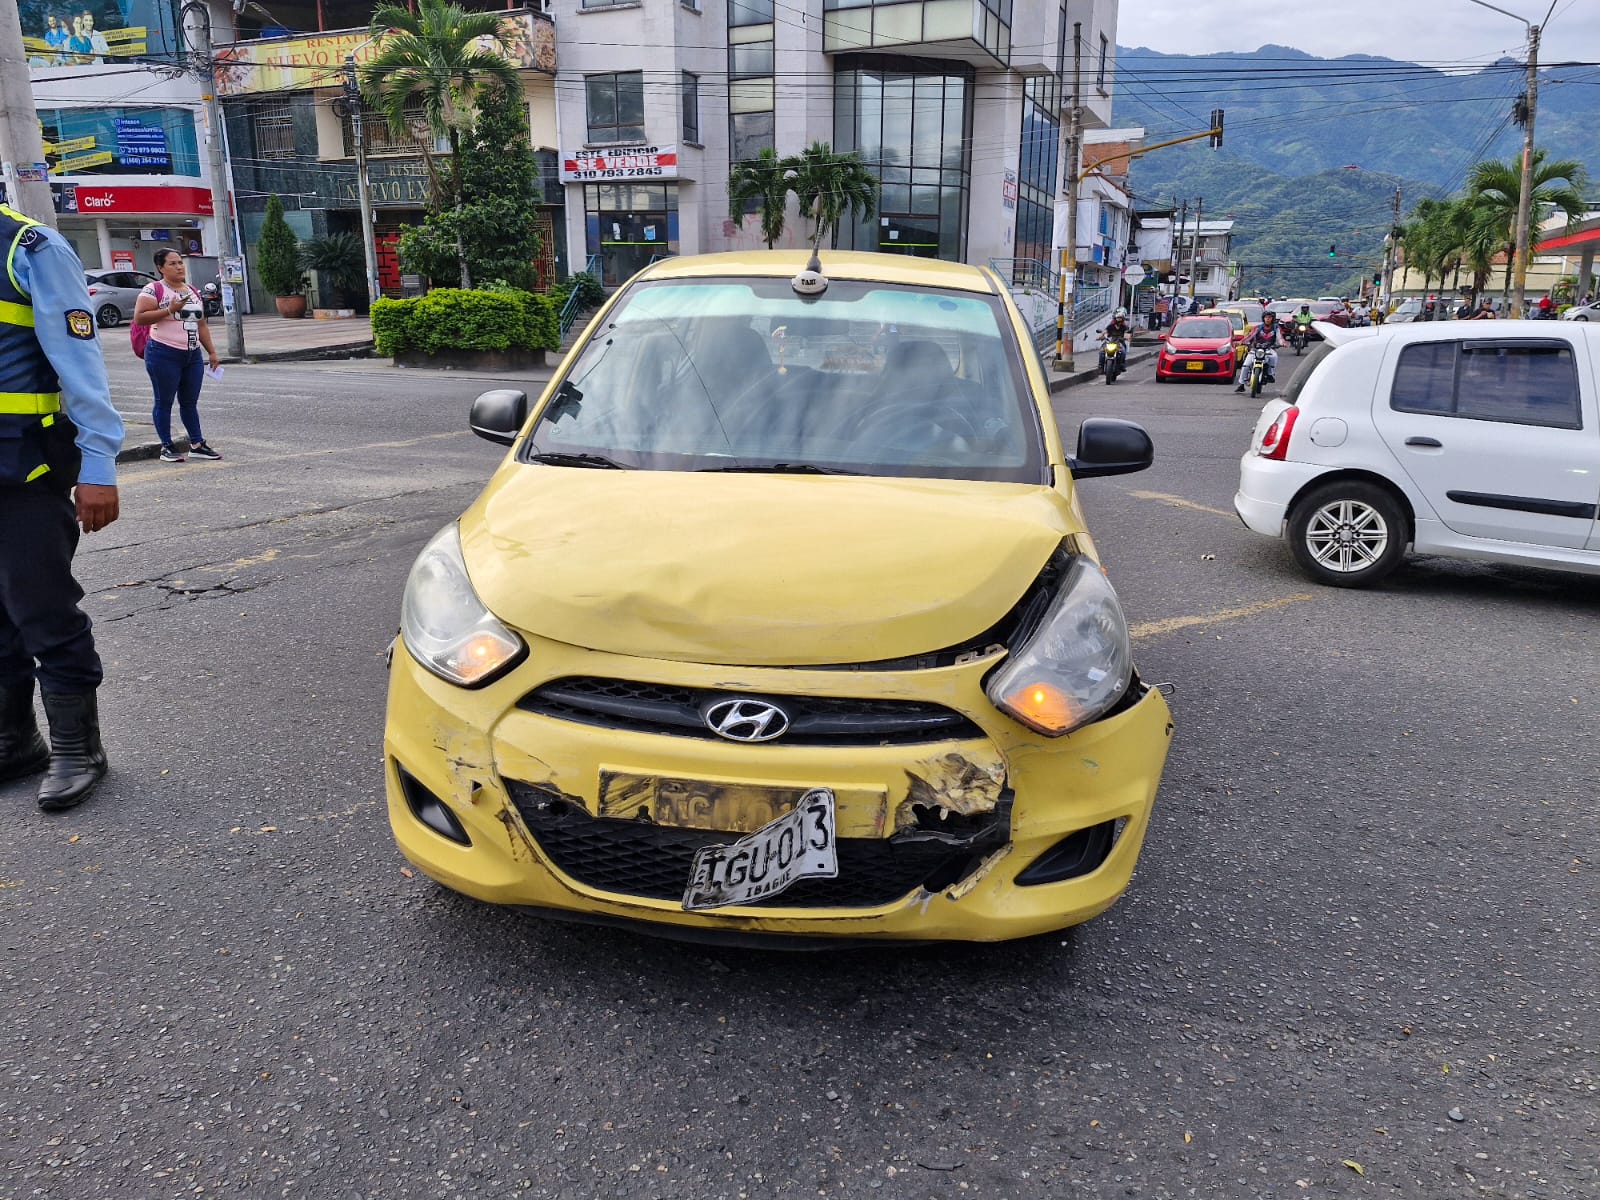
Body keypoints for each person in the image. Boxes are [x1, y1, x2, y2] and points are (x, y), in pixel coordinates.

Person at [0, 202, 124, 812]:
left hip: (25, 469)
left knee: (44, 612)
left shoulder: (31, 249)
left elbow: (82, 369)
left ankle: (78, 749)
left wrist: (98, 466)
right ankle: (14, 741)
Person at [133, 249, 222, 463]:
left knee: (189, 402)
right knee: (164, 402)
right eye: (172, 263)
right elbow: (140, 318)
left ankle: (197, 444)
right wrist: (168, 310)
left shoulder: (191, 290)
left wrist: (211, 351)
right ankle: (167, 446)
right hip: (163, 352)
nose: (179, 267)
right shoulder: (153, 290)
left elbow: (200, 324)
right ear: (160, 267)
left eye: (180, 262)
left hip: (191, 355)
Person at [1236, 310, 1283, 391]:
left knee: (1274, 356)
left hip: (1269, 349)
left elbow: (1280, 337)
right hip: (1256, 349)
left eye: (1269, 317)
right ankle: (1241, 384)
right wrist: (1241, 342)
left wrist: (1282, 343)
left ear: (1272, 319)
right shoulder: (1258, 328)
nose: (1268, 319)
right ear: (1263, 318)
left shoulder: (1276, 328)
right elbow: (1250, 336)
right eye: (1266, 317)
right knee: (1246, 365)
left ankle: (1270, 374)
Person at [1097, 307, 1131, 373]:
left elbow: (1127, 334)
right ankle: (1100, 367)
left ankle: (1122, 365)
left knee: (1123, 351)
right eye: (1118, 318)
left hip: (1119, 342)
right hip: (1110, 341)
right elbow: (1105, 331)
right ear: (1115, 318)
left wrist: (1127, 337)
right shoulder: (1111, 326)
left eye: (1120, 318)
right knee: (1101, 351)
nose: (1119, 319)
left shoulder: (1124, 327)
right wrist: (1100, 337)